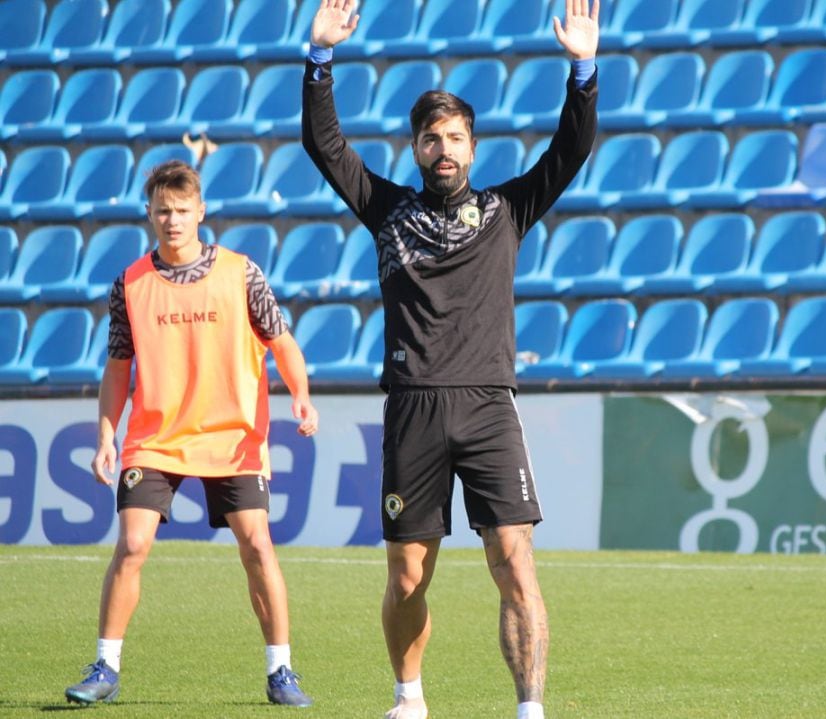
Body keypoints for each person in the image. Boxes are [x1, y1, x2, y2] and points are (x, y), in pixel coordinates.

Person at [302, 1, 599, 717]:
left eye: (456, 137)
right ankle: (409, 698)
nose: (444, 149)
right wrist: (319, 59)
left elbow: (571, 150)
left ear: (473, 147)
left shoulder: (507, 209)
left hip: (490, 404)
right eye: (432, 138)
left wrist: (582, 71)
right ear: (415, 149)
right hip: (413, 408)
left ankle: (529, 708)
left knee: (514, 562)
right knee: (407, 575)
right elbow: (325, 146)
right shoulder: (387, 210)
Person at [64, 160, 319, 708]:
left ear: (200, 212)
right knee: (131, 545)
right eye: (162, 210)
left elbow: (282, 342)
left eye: (182, 210)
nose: (172, 219)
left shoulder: (241, 272)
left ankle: (282, 671)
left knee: (257, 546)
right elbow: (117, 369)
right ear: (150, 214)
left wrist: (300, 393)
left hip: (232, 436)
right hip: (155, 436)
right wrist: (107, 435)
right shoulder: (129, 284)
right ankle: (106, 665)